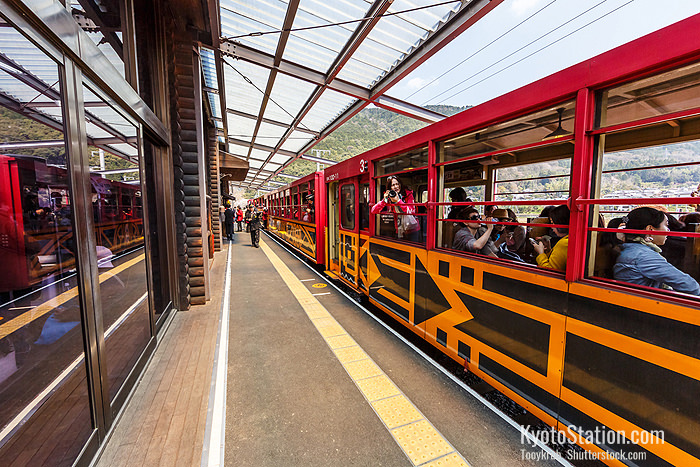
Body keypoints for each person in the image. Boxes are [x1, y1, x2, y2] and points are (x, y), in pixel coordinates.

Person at [614, 207, 700, 295]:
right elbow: (690, 286)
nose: (668, 230)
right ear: (650, 229)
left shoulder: (631, 249)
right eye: (666, 225)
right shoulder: (643, 256)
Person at [370, 175, 420, 242]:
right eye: (393, 185)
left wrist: (398, 201)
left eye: (397, 184)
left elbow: (410, 211)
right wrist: (384, 200)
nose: (396, 187)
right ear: (390, 188)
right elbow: (373, 210)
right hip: (399, 229)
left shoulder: (408, 194)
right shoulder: (390, 197)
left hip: (412, 229)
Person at [532, 205, 570, 271]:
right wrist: (548, 250)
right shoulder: (568, 239)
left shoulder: (563, 243)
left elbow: (549, 270)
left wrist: (540, 253)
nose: (552, 227)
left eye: (552, 223)